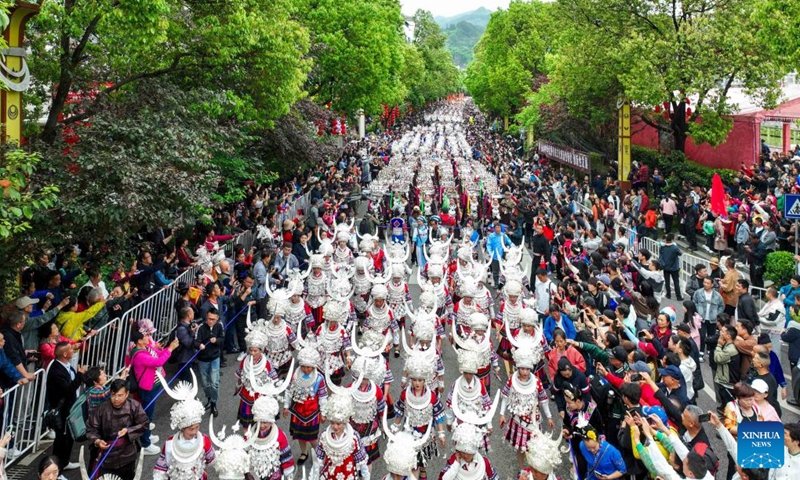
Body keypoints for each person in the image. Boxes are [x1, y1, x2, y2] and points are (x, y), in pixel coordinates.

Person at [152, 372, 216, 480]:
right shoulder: (170, 443)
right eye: (191, 429)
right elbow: (161, 468)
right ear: (182, 428)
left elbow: (213, 460)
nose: (195, 432)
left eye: (197, 427)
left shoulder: (204, 440)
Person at [86, 379, 149, 480]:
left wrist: (128, 430)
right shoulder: (102, 408)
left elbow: (144, 423)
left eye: (120, 395)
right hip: (107, 457)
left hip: (128, 455)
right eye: (113, 395)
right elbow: (91, 428)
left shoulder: (134, 406)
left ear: (127, 394)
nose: (116, 399)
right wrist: (97, 441)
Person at [129, 330, 180, 455]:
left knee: (148, 415)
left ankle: (147, 435)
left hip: (154, 384)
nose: (148, 337)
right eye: (146, 336)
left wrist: (168, 348)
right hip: (148, 388)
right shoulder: (139, 355)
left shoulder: (147, 347)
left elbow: (160, 354)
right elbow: (158, 362)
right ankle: (145, 444)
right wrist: (170, 349)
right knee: (147, 416)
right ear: (139, 341)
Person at [45, 342, 87, 471]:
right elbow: (68, 390)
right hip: (62, 411)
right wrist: (80, 375)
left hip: (70, 408)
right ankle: (57, 469)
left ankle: (65, 461)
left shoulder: (67, 366)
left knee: (69, 437)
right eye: (70, 349)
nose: (73, 350)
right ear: (64, 354)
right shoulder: (56, 371)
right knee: (61, 439)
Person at [311, 391, 370, 480]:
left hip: (348, 475)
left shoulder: (354, 437)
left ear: (345, 421)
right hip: (330, 475)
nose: (335, 427)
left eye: (338, 424)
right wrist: (313, 476)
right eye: (332, 423)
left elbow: (361, 461)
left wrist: (366, 477)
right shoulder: (324, 435)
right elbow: (318, 459)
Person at [248, 395, 295, 480]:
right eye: (259, 422)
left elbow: (286, 456)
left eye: (265, 422)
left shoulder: (279, 436)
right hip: (254, 473)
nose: (262, 425)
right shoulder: (250, 434)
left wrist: (288, 472)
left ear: (271, 421)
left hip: (273, 474)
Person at [194, 308, 224, 416]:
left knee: (214, 383)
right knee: (205, 383)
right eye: (208, 318)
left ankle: (213, 404)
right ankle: (209, 398)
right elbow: (195, 341)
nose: (210, 321)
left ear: (217, 318)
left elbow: (222, 338)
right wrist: (199, 345)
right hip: (203, 360)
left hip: (215, 358)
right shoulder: (201, 327)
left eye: (213, 319)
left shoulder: (219, 326)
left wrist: (217, 340)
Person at [658, 233, 682, 300]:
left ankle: (668, 295)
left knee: (667, 281)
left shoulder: (662, 247)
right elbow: (680, 253)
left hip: (665, 267)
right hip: (674, 267)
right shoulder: (675, 247)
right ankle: (678, 296)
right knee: (676, 282)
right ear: (672, 239)